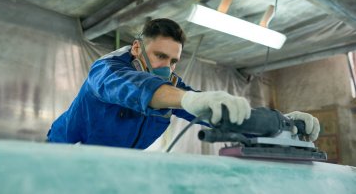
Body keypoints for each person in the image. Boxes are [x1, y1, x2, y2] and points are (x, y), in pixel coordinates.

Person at [47, 18, 320, 149]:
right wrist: (186, 99)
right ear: (136, 49)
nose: (167, 67)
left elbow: (216, 116)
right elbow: (131, 87)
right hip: (65, 154)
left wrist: (279, 124)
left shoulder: (173, 87)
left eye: (173, 60)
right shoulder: (106, 70)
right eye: (160, 56)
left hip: (117, 165)